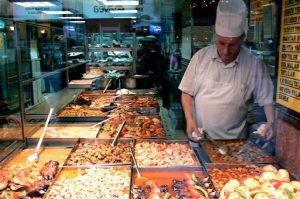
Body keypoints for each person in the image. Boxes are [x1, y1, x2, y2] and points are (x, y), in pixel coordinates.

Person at [179, 0, 274, 142]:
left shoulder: (254, 64)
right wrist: (189, 120)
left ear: (241, 39)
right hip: (200, 137)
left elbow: (267, 100)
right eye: (221, 43)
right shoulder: (200, 57)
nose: (225, 50)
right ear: (215, 36)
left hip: (236, 144)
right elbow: (187, 92)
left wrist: (271, 123)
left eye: (232, 44)